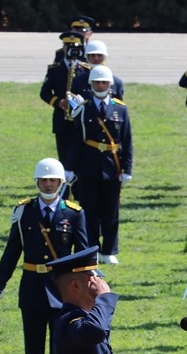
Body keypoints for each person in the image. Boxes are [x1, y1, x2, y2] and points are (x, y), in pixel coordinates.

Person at [0, 157, 89, 354]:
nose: (49, 184)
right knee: (33, 345)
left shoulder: (74, 213)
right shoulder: (24, 212)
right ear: (37, 182)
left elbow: (84, 255)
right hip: (31, 287)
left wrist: (86, 291)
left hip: (62, 290)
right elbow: (11, 253)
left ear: (61, 182)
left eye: (53, 180)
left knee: (60, 345)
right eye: (44, 180)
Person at [66, 65, 131, 265]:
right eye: (97, 82)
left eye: (104, 82)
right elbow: (78, 139)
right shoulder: (84, 109)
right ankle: (92, 249)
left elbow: (127, 140)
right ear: (91, 84)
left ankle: (109, 250)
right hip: (89, 165)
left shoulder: (120, 108)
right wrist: (69, 167)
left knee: (111, 211)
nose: (100, 85)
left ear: (110, 85)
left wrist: (127, 168)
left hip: (113, 165)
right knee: (90, 210)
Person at [40, 30, 88, 164]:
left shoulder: (86, 70)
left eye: (75, 47)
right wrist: (58, 102)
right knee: (64, 155)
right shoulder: (55, 69)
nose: (72, 50)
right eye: (69, 46)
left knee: (82, 155)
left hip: (81, 118)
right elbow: (44, 93)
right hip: (62, 119)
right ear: (63, 48)